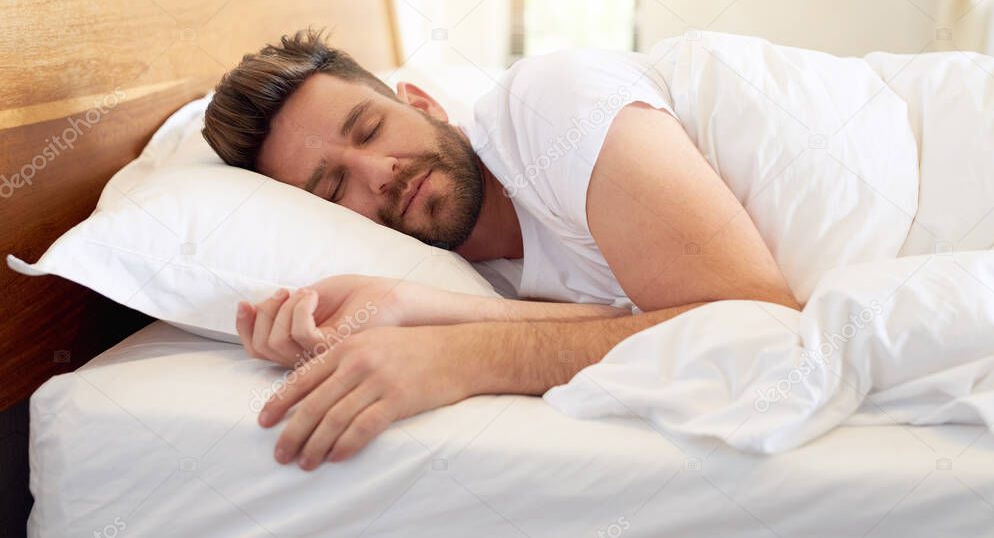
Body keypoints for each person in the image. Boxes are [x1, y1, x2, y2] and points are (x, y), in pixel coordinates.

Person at [201, 29, 800, 471]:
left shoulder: (549, 106)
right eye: (332, 187)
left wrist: (463, 357)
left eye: (371, 130)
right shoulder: (479, 277)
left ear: (423, 103)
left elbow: (759, 323)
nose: (378, 173)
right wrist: (411, 304)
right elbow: (648, 321)